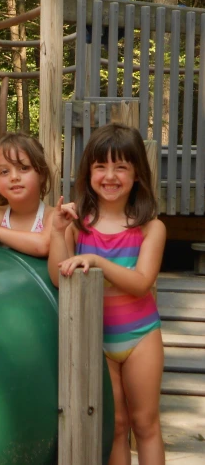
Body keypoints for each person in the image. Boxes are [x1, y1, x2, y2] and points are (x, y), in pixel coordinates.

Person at [48, 123, 165, 465]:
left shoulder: (150, 227)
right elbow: (58, 277)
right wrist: (57, 232)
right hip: (95, 338)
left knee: (145, 424)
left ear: (137, 175)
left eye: (121, 167)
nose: (110, 176)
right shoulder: (77, 224)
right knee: (115, 426)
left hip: (141, 337)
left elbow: (142, 282)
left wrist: (97, 261)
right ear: (88, 173)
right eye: (101, 166)